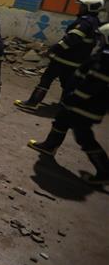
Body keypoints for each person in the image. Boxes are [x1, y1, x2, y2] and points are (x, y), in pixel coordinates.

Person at [27, 22, 109, 185]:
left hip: (87, 104)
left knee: (83, 135)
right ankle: (50, 145)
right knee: (61, 120)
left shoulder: (105, 58)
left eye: (101, 37)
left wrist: (75, 97)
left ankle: (104, 171)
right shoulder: (103, 54)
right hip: (82, 100)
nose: (98, 40)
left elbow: (95, 83)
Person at [14, 0, 103, 111]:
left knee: (46, 80)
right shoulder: (95, 22)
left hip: (64, 59)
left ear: (89, 7)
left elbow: (70, 40)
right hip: (77, 61)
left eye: (82, 6)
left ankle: (32, 103)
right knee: (67, 84)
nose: (80, 8)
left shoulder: (84, 23)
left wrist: (51, 50)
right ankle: (65, 107)